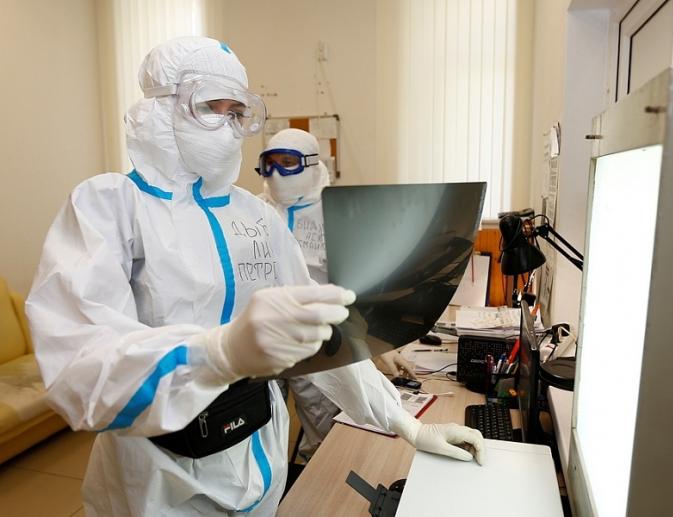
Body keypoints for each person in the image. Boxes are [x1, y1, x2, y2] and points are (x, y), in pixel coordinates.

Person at [25, 37, 483, 516]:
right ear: (162, 106)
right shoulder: (110, 206)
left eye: (237, 112)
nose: (227, 126)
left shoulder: (256, 217)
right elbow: (82, 364)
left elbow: (322, 332)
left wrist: (405, 422)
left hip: (259, 456)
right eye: (210, 107)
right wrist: (218, 354)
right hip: (161, 481)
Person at [257, 128, 416, 460]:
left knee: (323, 428)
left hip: (322, 340)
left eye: (287, 162)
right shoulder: (254, 211)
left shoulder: (339, 213)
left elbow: (356, 289)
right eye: (269, 163)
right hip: (266, 337)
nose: (276, 173)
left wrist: (377, 346)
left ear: (312, 163)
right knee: (264, 429)